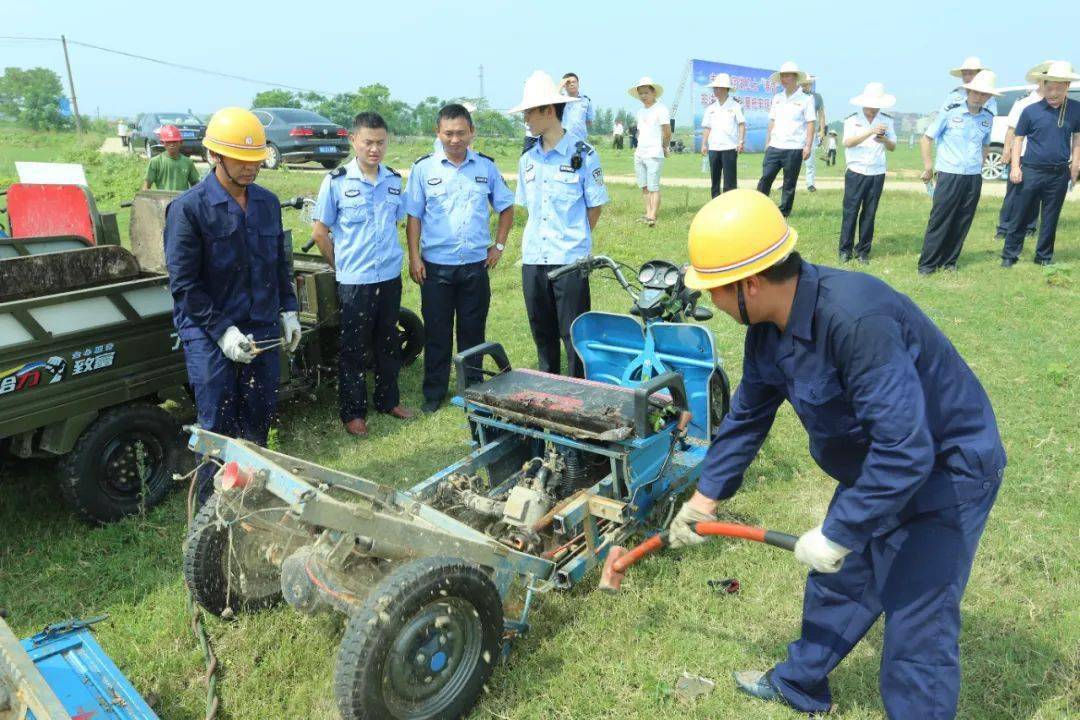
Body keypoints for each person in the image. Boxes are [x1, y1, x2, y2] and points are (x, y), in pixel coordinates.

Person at [671, 189, 1005, 719]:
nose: (710, 300)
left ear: (750, 284)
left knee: (917, 623)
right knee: (840, 581)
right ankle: (799, 685)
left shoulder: (855, 320)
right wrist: (705, 497)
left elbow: (906, 449)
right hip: (878, 466)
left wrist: (839, 530)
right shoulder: (766, 327)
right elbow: (748, 417)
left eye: (713, 289)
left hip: (948, 470)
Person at [164, 107, 301, 504]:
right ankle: (212, 509)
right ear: (214, 157)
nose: (249, 169)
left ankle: (251, 501)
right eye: (239, 161)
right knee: (218, 426)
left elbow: (278, 262)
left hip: (260, 323)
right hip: (209, 329)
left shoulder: (266, 203)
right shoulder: (188, 210)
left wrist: (288, 310)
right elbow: (185, 285)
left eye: (255, 160)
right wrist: (223, 332)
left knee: (258, 413)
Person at [404, 104, 515, 413]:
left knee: (472, 331)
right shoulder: (424, 169)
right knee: (437, 332)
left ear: (472, 133)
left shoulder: (486, 168)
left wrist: (499, 246)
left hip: (475, 266)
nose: (454, 140)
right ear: (438, 133)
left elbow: (506, 208)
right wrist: (414, 257)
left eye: (461, 133)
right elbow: (413, 217)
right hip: (436, 268)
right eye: (448, 133)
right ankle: (434, 393)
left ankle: (472, 389)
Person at [311, 112, 415, 437]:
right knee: (354, 348)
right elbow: (319, 232)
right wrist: (341, 266)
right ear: (353, 140)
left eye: (380, 142)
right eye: (368, 142)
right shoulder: (337, 181)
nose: (374, 149)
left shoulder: (394, 181)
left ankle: (388, 400)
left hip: (388, 276)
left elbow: (404, 219)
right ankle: (353, 413)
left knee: (388, 341)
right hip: (355, 281)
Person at [510, 71, 609, 378]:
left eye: (530, 111)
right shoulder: (528, 160)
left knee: (574, 336)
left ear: (549, 111)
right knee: (543, 333)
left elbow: (594, 207)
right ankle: (548, 391)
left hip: (569, 261)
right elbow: (529, 210)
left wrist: (574, 239)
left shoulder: (584, 154)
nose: (526, 118)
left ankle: (578, 392)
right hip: (534, 259)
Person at [917, 70, 999, 274]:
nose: (979, 97)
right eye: (976, 92)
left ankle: (949, 261)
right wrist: (928, 166)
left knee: (963, 219)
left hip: (972, 176)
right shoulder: (950, 112)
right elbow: (926, 138)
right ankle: (928, 264)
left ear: (989, 97)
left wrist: (979, 165)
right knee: (940, 218)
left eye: (984, 94)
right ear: (968, 91)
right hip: (949, 173)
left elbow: (986, 144)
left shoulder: (987, 118)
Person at [1001, 60, 1080, 268]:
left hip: (1059, 173)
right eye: (1049, 88)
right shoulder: (1031, 110)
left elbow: (1077, 138)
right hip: (1031, 171)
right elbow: (1018, 139)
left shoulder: (1076, 109)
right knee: (1021, 213)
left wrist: (1075, 165)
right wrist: (1016, 167)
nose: (1053, 94)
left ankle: (1043, 256)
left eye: (1058, 89)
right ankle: (1010, 254)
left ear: (1067, 87)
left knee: (1050, 217)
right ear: (1043, 86)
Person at [839, 83, 897, 264]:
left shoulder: (887, 120)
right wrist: (870, 131)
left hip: (877, 172)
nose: (873, 107)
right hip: (856, 171)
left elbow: (893, 146)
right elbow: (848, 142)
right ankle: (845, 250)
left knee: (869, 213)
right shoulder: (852, 119)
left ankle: (863, 250)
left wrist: (884, 139)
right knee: (851, 212)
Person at [995, 63, 1051, 242]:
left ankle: (1029, 227)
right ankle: (1004, 227)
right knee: (1015, 193)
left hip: (1042, 157)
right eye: (1047, 81)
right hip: (1021, 154)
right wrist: (1006, 151)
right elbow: (1011, 129)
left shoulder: (1055, 104)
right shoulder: (1024, 102)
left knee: (1035, 193)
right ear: (1039, 81)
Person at [757, 61, 816, 216]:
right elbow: (772, 121)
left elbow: (811, 123)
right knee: (766, 177)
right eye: (782, 75)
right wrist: (767, 142)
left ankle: (784, 212)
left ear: (795, 77)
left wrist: (808, 145)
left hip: (794, 147)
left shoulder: (806, 99)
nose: (784, 78)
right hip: (775, 146)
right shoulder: (777, 97)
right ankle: (759, 207)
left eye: (787, 75)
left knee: (789, 182)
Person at [631, 76, 671, 226]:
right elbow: (640, 132)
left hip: (654, 153)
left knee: (653, 186)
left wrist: (664, 147)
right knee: (644, 185)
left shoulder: (661, 109)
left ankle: (653, 216)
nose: (643, 96)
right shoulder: (640, 111)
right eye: (640, 93)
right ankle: (647, 212)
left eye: (646, 92)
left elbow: (667, 131)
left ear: (653, 93)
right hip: (640, 153)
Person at [700, 73, 746, 197]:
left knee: (729, 180)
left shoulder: (736, 106)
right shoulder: (710, 108)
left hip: (730, 147)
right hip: (714, 147)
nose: (716, 90)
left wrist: (741, 142)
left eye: (719, 88)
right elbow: (707, 127)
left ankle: (730, 203)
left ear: (726, 89)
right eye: (715, 88)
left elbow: (741, 124)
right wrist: (704, 144)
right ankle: (715, 203)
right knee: (715, 179)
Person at [143, 125, 200, 191]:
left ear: (181, 142)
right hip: (162, 200)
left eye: (174, 141)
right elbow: (146, 187)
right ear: (162, 142)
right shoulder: (155, 162)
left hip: (183, 200)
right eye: (168, 142)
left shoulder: (188, 162)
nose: (172, 144)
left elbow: (196, 185)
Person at [800, 76, 827, 192]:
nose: (806, 86)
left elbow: (821, 114)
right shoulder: (796, 97)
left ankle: (810, 184)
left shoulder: (817, 97)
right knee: (790, 160)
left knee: (810, 160)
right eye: (804, 84)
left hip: (811, 133)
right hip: (796, 133)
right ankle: (787, 182)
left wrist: (822, 130)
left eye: (808, 84)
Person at [560, 72, 595, 143]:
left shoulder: (586, 100)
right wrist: (560, 85)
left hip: (580, 140)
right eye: (568, 83)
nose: (572, 84)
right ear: (564, 86)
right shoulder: (559, 100)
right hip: (562, 140)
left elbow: (589, 121)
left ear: (578, 84)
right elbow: (549, 100)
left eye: (574, 82)